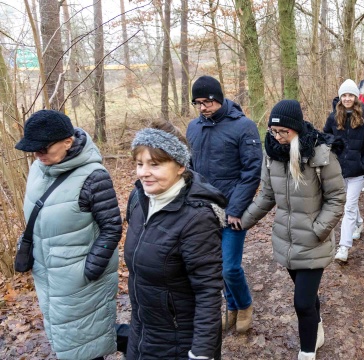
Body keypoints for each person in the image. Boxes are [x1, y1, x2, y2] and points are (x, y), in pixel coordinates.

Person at [241, 100, 346, 360]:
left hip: (313, 241)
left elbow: (336, 197)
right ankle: (316, 324)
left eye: (283, 132)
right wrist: (241, 222)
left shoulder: (320, 154)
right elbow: (266, 196)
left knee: (301, 302)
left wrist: (317, 231)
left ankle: (307, 351)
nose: (277, 138)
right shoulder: (273, 155)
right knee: (307, 298)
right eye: (273, 132)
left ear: (296, 129)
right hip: (286, 242)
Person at [15, 110, 122, 360]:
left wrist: (89, 270)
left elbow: (112, 227)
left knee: (86, 345)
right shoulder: (38, 169)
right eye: (34, 150)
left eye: (43, 149)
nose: (37, 155)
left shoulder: (94, 177)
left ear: (68, 142)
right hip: (47, 275)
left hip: (80, 279)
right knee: (64, 339)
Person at [125, 122, 226, 359]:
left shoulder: (196, 218)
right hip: (141, 333)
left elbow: (208, 291)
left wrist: (201, 353)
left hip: (180, 342)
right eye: (140, 164)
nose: (143, 172)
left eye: (155, 164)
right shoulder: (139, 199)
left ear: (180, 165)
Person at [186, 75, 262, 332]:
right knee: (216, 267)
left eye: (206, 102)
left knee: (230, 267)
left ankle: (244, 304)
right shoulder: (193, 128)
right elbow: (191, 168)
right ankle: (230, 306)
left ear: (218, 98)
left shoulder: (244, 127)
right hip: (202, 211)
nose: (202, 108)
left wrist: (235, 209)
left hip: (231, 211)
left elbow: (252, 171)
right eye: (197, 103)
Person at [324, 79, 364, 262]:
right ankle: (359, 223)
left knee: (347, 207)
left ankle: (343, 247)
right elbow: (326, 139)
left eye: (350, 95)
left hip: (358, 171)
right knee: (350, 203)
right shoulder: (333, 117)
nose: (347, 98)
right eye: (344, 95)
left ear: (356, 97)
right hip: (339, 170)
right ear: (340, 98)